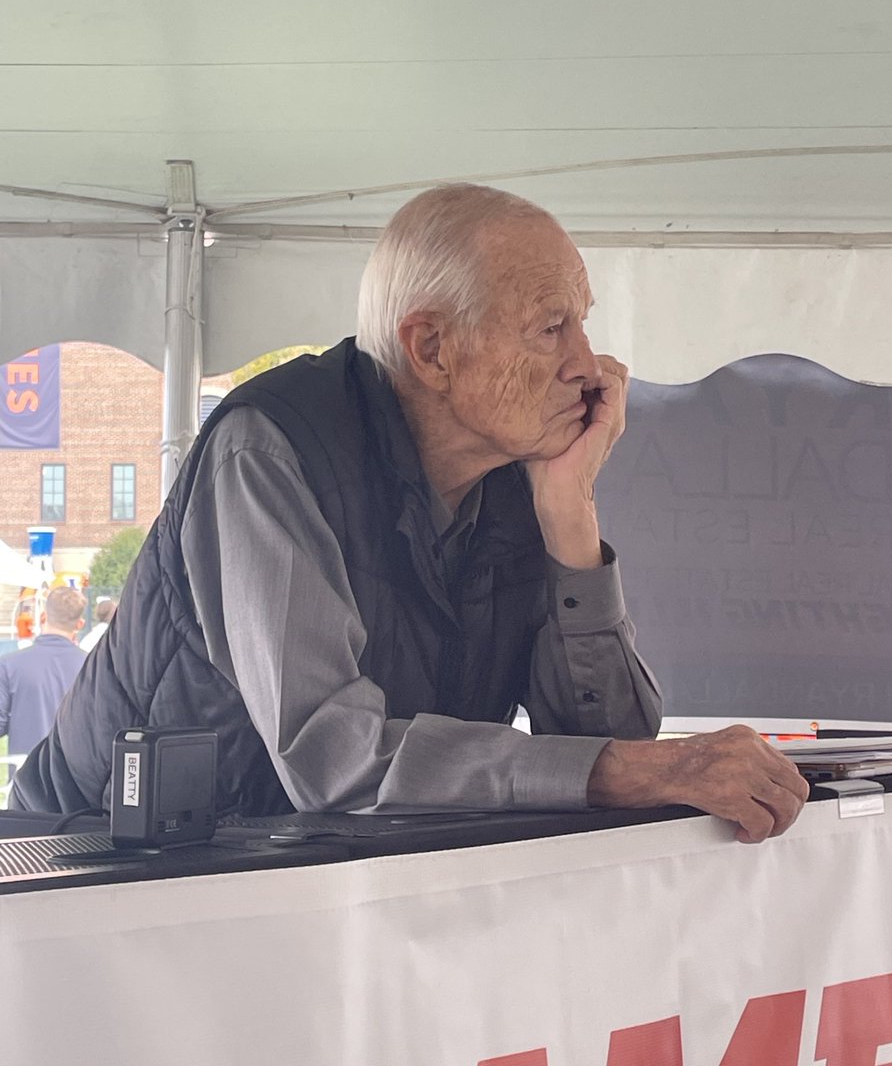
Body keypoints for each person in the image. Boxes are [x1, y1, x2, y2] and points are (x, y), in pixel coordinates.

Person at [11, 185, 807, 841]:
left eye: (585, 322)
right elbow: (332, 759)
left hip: (290, 886)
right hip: (91, 880)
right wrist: (627, 771)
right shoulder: (270, 452)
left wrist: (571, 514)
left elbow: (612, 739)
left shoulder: (515, 474)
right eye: (550, 328)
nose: (586, 365)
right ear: (430, 349)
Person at [0, 586, 87, 764]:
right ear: (80, 624)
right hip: (73, 775)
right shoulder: (90, 667)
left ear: (42, 617)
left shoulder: (10, 665)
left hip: (25, 774)